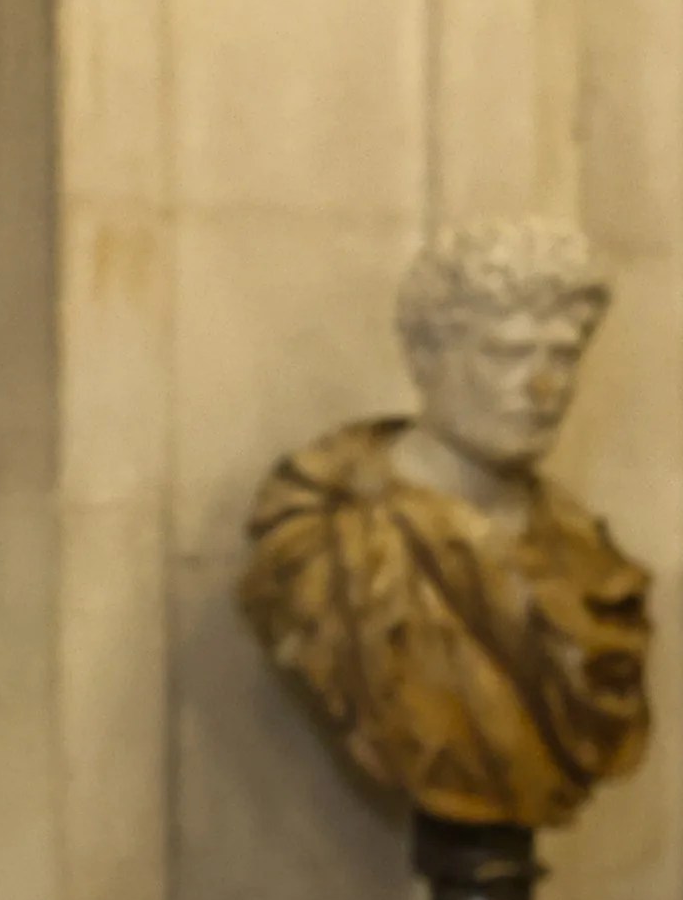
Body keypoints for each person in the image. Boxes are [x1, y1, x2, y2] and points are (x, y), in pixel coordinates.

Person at [242, 219, 652, 834]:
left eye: (562, 357)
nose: (543, 388)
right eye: (508, 354)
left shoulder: (591, 562)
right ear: (426, 357)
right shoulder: (327, 544)